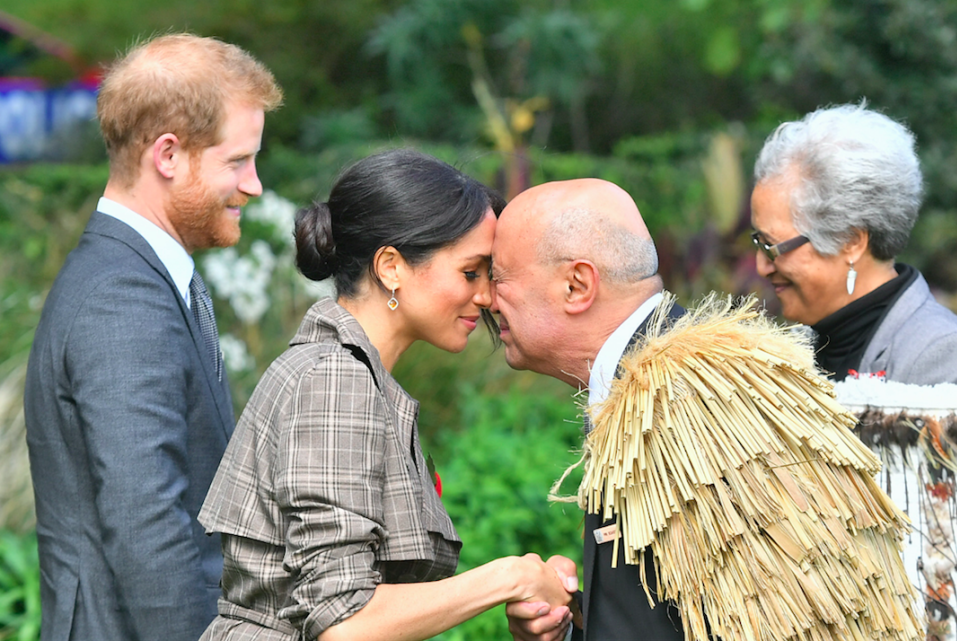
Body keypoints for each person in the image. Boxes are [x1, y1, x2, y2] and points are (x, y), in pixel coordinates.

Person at [198, 148, 575, 641]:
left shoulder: (351, 374)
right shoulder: (334, 381)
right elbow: (344, 622)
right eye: (470, 272)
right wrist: (512, 577)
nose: (486, 296)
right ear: (391, 266)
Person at [23, 34, 282, 641]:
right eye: (237, 160)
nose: (254, 185)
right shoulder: (122, 299)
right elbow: (148, 526)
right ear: (168, 155)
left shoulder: (136, 274)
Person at [492, 178, 686, 641]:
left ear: (577, 285)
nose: (485, 299)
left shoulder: (682, 398)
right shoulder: (644, 379)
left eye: (497, 278)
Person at [750, 102, 957, 384]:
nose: (761, 266)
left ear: (850, 242)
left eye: (771, 246)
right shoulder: (795, 350)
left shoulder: (940, 357)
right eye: (758, 241)